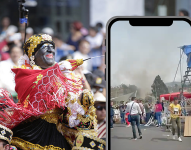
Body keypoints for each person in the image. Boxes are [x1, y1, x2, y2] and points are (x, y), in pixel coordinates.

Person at [0, 34, 106, 150]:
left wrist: (80, 101)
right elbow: (36, 92)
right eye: (45, 47)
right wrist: (56, 70)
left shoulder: (62, 76)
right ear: (33, 55)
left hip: (56, 132)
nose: (50, 49)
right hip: (32, 132)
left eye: (52, 46)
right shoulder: (25, 74)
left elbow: (69, 107)